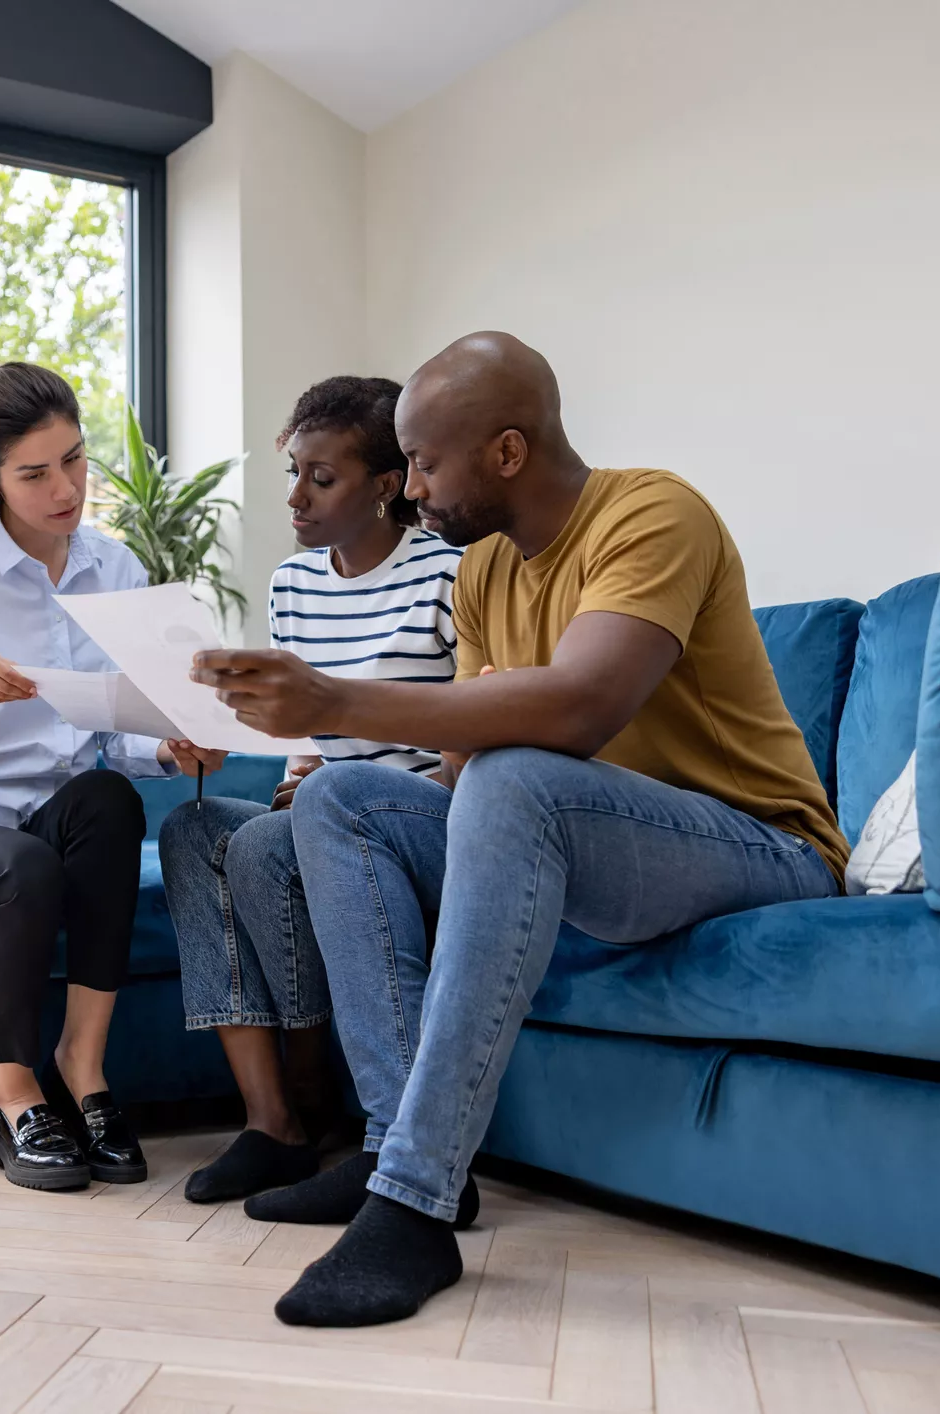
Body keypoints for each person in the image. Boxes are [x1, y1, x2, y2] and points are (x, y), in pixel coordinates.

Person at [190, 332, 848, 1325]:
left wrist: (341, 698)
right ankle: (393, 1147)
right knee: (339, 798)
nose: (407, 491)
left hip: (758, 847)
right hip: (591, 846)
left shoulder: (652, 514)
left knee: (519, 771)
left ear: (505, 451)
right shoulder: (482, 570)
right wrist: (484, 720)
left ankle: (409, 1202)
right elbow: (468, 764)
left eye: (421, 462)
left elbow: (578, 708)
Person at [0, 359, 222, 1193]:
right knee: (22, 866)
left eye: (75, 459)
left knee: (108, 797)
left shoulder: (116, 568)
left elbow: (112, 724)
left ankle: (83, 1072)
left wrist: (171, 745)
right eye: (35, 472)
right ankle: (14, 1095)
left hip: (49, 819)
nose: (66, 487)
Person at [159, 375, 458, 1205]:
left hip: (415, 815)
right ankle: (273, 1124)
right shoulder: (295, 586)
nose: (294, 496)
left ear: (386, 486)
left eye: (319, 479)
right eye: (293, 471)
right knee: (197, 831)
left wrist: (327, 788)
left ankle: (318, 1090)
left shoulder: (450, 575)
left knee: (261, 841)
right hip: (325, 807)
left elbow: (475, 732)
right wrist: (292, 774)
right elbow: (309, 746)